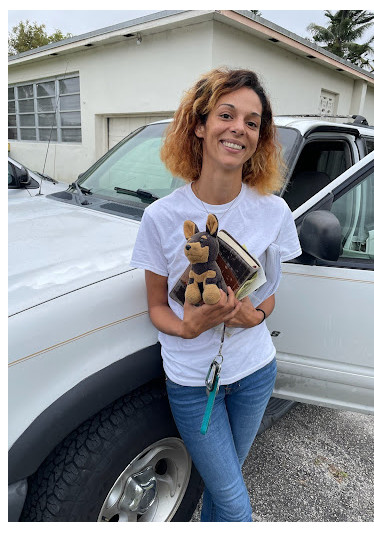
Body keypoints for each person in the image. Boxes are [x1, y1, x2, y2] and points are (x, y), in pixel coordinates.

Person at [130, 67, 301, 522]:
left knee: (224, 493)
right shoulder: (162, 218)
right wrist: (186, 328)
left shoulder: (274, 211)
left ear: (259, 137)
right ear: (200, 125)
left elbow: (272, 291)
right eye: (227, 114)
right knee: (235, 503)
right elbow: (154, 306)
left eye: (252, 121)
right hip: (191, 383)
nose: (238, 128)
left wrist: (255, 317)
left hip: (256, 371)